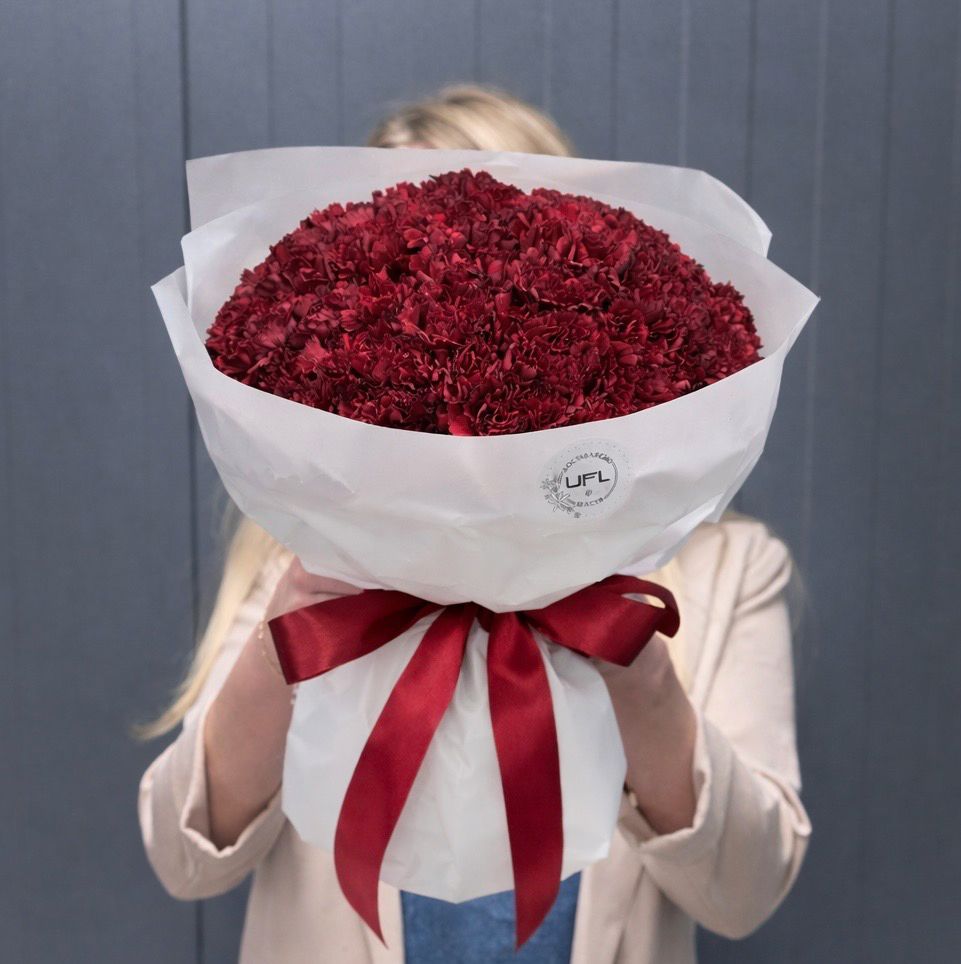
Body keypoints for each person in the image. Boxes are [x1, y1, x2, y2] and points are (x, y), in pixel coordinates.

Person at [137, 82, 812, 964]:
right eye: (400, 246)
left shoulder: (730, 569)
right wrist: (291, 635)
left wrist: (640, 674)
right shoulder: (298, 556)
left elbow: (749, 891)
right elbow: (185, 858)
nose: (441, 262)